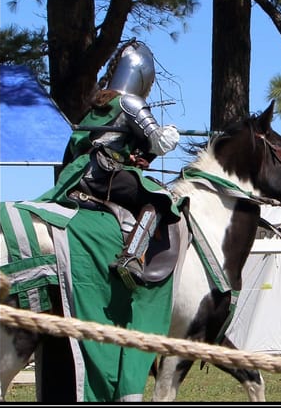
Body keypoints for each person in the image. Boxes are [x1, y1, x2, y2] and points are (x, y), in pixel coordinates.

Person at [38, 39, 181, 290]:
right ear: (143, 77)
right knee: (159, 199)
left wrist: (130, 159)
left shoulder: (99, 103)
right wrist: (172, 132)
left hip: (77, 174)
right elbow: (159, 142)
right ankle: (132, 256)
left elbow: (102, 142)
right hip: (103, 175)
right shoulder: (129, 102)